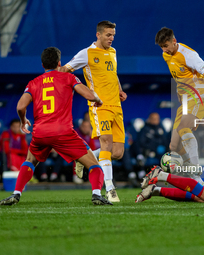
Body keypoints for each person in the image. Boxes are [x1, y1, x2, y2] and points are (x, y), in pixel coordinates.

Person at [0, 47, 111, 206]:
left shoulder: (33, 83)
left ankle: (16, 194)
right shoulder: (68, 78)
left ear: (42, 64)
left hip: (40, 132)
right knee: (94, 164)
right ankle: (96, 195)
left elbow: (20, 106)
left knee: (30, 160)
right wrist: (98, 100)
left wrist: (23, 120)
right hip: (63, 132)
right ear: (59, 62)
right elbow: (89, 95)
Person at [59, 21, 126, 202]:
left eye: (113, 35)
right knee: (106, 144)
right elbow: (65, 69)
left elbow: (114, 73)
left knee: (118, 152)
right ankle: (110, 189)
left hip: (116, 107)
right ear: (98, 35)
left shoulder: (113, 52)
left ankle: (83, 158)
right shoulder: (86, 53)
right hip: (99, 106)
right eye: (108, 35)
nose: (111, 38)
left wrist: (119, 89)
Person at [155, 27, 204, 186]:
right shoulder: (166, 55)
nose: (164, 49)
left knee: (184, 129)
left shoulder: (189, 56)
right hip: (186, 101)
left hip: (201, 96)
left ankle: (195, 172)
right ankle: (196, 179)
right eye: (161, 46)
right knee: (174, 146)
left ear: (174, 41)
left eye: (166, 45)